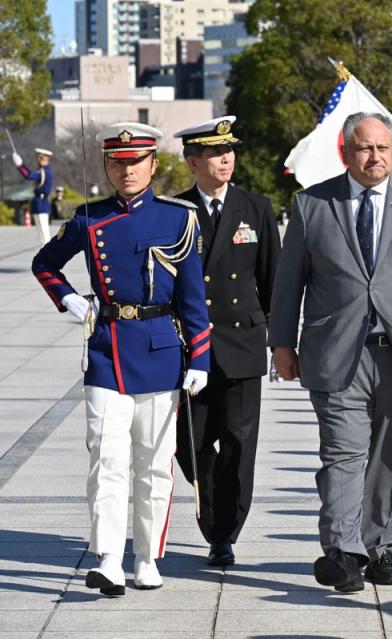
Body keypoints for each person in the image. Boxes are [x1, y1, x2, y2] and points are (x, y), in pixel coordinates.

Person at [268, 112, 392, 593]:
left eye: (382, 148)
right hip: (338, 353)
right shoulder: (313, 205)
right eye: (364, 148)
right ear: (345, 152)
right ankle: (342, 551)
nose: (374, 157)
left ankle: (381, 548)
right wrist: (281, 343)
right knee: (343, 455)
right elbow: (289, 281)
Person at [31, 122, 210, 595]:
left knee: (154, 465)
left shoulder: (179, 218)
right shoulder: (89, 219)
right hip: (107, 349)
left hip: (160, 350)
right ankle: (109, 558)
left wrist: (201, 358)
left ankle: (147, 556)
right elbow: (44, 263)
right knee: (106, 460)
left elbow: (192, 298)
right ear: (108, 166)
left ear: (153, 164)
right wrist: (69, 299)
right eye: (117, 162)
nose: (126, 170)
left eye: (135, 162)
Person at [172, 116, 281, 567]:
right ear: (193, 162)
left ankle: (224, 531)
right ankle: (214, 513)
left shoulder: (256, 207)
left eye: (230, 150)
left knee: (239, 443)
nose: (227, 158)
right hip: (191, 347)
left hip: (242, 341)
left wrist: (282, 341)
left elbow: (273, 279)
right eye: (216, 153)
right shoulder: (175, 211)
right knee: (189, 444)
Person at [13, 147, 54, 245]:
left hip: (42, 204)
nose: (38, 160)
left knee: (44, 232)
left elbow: (29, 176)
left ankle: (48, 252)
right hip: (39, 203)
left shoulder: (45, 171)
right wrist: (21, 165)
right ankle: (44, 252)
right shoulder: (43, 170)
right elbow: (31, 174)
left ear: (44, 159)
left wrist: (20, 165)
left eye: (39, 158)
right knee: (40, 232)